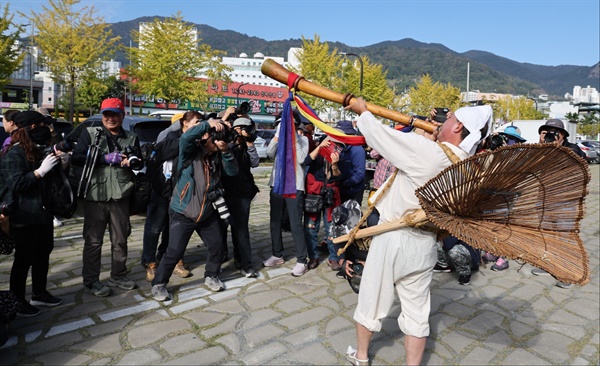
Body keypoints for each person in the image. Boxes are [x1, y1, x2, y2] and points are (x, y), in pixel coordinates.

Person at [344, 98, 491, 365]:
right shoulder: (469, 170)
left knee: (372, 297)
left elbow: (380, 137)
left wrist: (363, 112)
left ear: (458, 126)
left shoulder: (429, 152)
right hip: (425, 244)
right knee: (416, 309)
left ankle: (362, 357)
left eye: (448, 119)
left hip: (393, 236)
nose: (442, 122)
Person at [151, 116, 238, 300]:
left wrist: (226, 151)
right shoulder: (190, 152)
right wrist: (208, 124)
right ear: (206, 137)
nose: (218, 140)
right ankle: (159, 284)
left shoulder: (217, 156)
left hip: (206, 212)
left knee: (217, 246)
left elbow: (232, 172)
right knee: (174, 252)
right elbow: (185, 138)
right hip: (183, 211)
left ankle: (212, 275)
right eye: (215, 137)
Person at [71, 98, 143, 297]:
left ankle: (118, 275)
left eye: (114, 114)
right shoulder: (90, 134)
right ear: (102, 116)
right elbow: (76, 158)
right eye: (106, 114)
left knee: (120, 239)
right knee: (93, 241)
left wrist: (132, 162)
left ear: (122, 115)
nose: (110, 118)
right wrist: (103, 159)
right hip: (95, 195)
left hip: (121, 194)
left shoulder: (131, 137)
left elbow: (138, 163)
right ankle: (91, 281)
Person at [0, 111, 65, 316]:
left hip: (43, 212)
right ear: (30, 128)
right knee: (23, 260)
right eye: (40, 125)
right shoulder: (14, 153)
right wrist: (39, 172)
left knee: (43, 254)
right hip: (24, 215)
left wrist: (58, 163)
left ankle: (39, 292)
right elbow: (16, 183)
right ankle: (18, 301)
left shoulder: (37, 151)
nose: (46, 129)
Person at [531, 118, 585, 289]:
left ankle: (568, 274)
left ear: (563, 135)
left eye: (557, 132)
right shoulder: (541, 149)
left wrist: (556, 147)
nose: (553, 135)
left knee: (565, 237)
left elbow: (576, 162)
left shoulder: (572, 149)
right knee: (547, 235)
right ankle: (551, 266)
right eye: (548, 131)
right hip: (544, 200)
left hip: (565, 202)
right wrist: (541, 146)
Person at [141, 112, 194, 282]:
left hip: (180, 194)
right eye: (196, 122)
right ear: (183, 123)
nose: (200, 125)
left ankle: (173, 259)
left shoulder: (195, 140)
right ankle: (150, 262)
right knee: (154, 228)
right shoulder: (170, 137)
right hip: (161, 191)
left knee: (175, 229)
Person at [263, 119, 310, 277]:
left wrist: (294, 137)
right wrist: (277, 136)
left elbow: (302, 159)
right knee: (275, 222)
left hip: (294, 186)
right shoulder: (279, 140)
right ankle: (277, 254)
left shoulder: (303, 139)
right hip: (277, 184)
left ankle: (302, 260)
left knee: (295, 223)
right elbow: (269, 153)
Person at [220, 112, 261, 278]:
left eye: (245, 128)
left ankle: (244, 262)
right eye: (239, 128)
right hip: (223, 191)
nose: (242, 131)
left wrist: (250, 143)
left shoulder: (247, 145)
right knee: (220, 228)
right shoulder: (226, 143)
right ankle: (220, 256)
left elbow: (255, 163)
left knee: (241, 229)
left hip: (242, 192)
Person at [303, 136, 343, 271]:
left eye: (336, 145)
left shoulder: (338, 155)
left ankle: (333, 258)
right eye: (331, 144)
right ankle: (313, 257)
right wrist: (320, 147)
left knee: (331, 228)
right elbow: (306, 161)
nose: (334, 147)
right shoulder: (318, 152)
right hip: (314, 193)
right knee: (310, 227)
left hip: (330, 194)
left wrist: (334, 164)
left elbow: (338, 176)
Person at [334, 120, 366, 205]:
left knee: (351, 216)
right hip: (343, 189)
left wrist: (346, 184)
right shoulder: (342, 147)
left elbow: (360, 173)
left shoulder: (357, 150)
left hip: (353, 191)